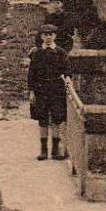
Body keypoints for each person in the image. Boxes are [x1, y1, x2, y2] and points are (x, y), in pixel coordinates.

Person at [27, 24, 69, 160]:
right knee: (43, 119)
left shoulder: (61, 52)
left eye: (51, 34)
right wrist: (32, 91)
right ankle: (43, 150)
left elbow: (67, 71)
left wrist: (68, 80)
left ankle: (55, 150)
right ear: (41, 37)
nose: (48, 37)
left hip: (57, 88)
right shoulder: (37, 53)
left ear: (55, 36)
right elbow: (31, 74)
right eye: (45, 35)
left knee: (57, 119)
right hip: (41, 88)